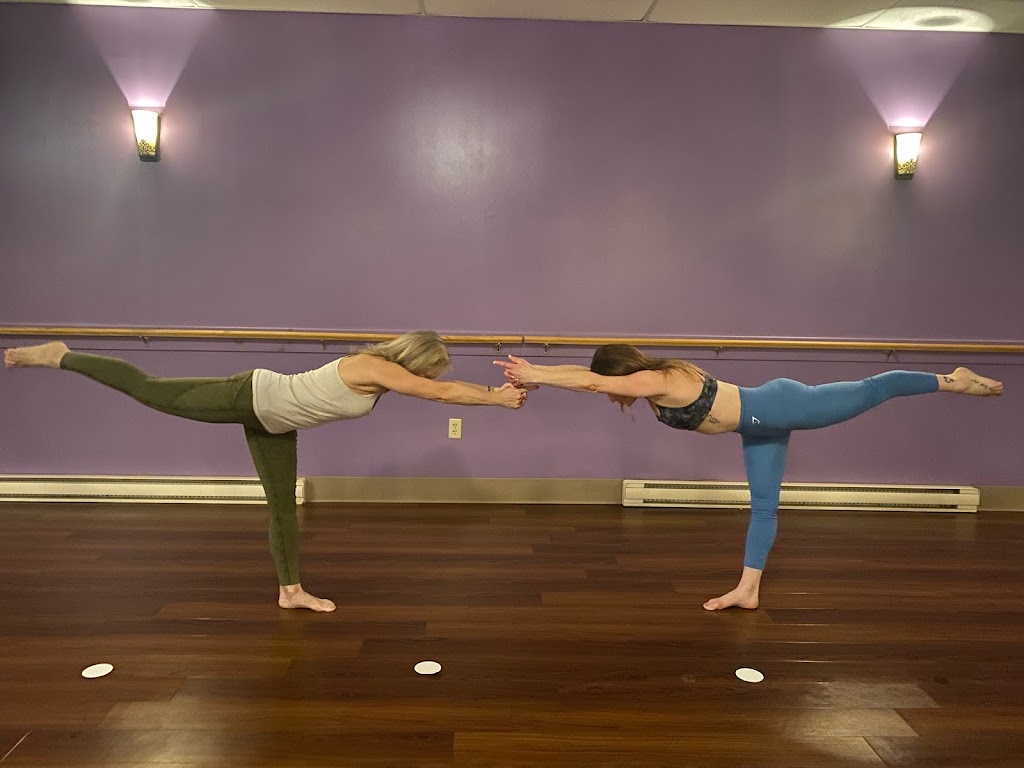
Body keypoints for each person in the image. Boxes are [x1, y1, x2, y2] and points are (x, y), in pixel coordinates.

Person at [5, 331, 527, 613]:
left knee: (282, 508)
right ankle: (61, 356)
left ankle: (290, 590)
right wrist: (499, 400)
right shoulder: (374, 366)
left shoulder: (385, 379)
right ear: (416, 360)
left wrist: (494, 395)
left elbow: (436, 389)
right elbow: (440, 393)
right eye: (432, 368)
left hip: (274, 423)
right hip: (249, 394)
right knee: (149, 389)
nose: (433, 377)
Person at [494, 345, 1003, 611]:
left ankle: (950, 380)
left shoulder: (658, 378)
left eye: (612, 382)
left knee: (873, 389)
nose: (610, 394)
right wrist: (540, 376)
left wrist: (537, 374)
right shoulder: (649, 387)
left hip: (776, 405)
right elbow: (590, 380)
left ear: (622, 372)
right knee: (763, 506)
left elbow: (589, 382)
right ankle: (748, 590)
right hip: (758, 428)